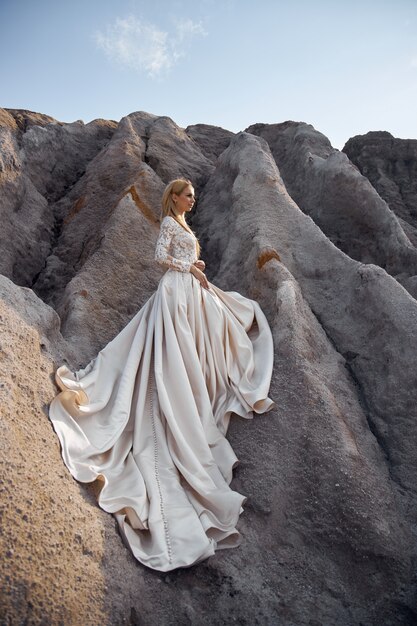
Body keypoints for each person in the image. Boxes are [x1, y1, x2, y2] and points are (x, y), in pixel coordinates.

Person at [49, 178, 275, 572]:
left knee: (208, 338)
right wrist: (193, 268)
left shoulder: (184, 225)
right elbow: (159, 257)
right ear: (173, 197)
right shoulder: (170, 224)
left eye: (193, 196)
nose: (192, 199)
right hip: (174, 291)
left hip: (188, 290)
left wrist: (196, 270)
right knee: (171, 357)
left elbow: (181, 259)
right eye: (187, 194)